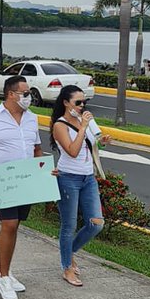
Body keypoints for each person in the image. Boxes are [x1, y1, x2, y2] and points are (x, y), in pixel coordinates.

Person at [0, 75, 47, 299]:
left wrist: (43, 172)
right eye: (25, 93)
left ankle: (4, 270)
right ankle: (3, 277)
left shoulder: (32, 119)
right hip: (2, 181)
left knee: (16, 226)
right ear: (11, 94)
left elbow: (37, 149)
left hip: (25, 181)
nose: (28, 97)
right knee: (9, 224)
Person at [49, 85, 112, 287]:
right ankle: (67, 267)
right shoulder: (60, 125)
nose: (82, 105)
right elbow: (72, 151)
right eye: (78, 102)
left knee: (96, 223)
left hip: (88, 177)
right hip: (68, 177)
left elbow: (93, 145)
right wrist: (83, 127)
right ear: (66, 103)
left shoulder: (84, 122)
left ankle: (69, 251)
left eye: (84, 102)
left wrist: (103, 141)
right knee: (69, 226)